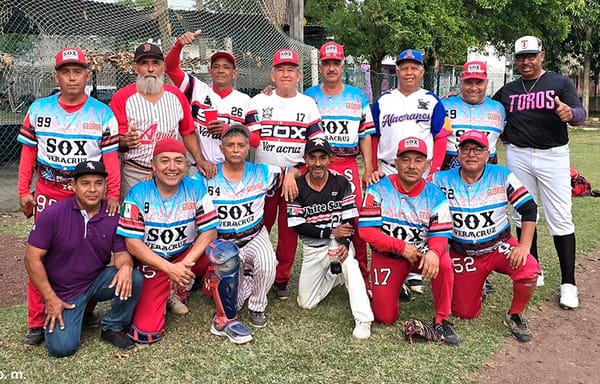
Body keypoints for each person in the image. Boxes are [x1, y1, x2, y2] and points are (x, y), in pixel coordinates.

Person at [17, 48, 121, 346]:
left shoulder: (102, 113)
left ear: (87, 76)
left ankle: (84, 308)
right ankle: (37, 321)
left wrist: (112, 193)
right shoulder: (39, 108)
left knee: (90, 250)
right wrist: (24, 190)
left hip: (88, 194)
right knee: (44, 254)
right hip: (50, 190)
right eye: (66, 71)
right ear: (57, 76)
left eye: (78, 71)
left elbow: (110, 158)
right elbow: (28, 153)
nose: (72, 77)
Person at [117, 138, 253, 344]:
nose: (172, 167)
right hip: (154, 262)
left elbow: (210, 232)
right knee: (146, 332)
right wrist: (169, 269)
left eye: (178, 161)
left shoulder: (196, 189)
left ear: (186, 165)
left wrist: (182, 265)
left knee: (225, 252)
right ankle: (173, 289)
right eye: (164, 161)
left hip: (185, 256)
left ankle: (226, 319)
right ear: (153, 166)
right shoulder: (137, 194)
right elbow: (132, 244)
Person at [493, 36, 587, 308]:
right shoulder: (509, 90)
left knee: (560, 217)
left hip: (553, 155)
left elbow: (578, 112)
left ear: (541, 56)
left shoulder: (559, 83)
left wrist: (572, 114)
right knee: (523, 212)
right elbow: (489, 107)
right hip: (519, 154)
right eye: (521, 57)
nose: (526, 61)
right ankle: (534, 268)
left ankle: (568, 283)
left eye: (531, 56)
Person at [24, 160, 142, 357]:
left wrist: (126, 267)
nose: (92, 189)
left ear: (106, 185)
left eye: (98, 183)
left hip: (95, 281)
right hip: (64, 291)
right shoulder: (53, 214)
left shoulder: (112, 214)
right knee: (61, 349)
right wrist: (50, 297)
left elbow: (121, 254)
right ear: (73, 186)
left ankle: (112, 326)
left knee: (134, 277)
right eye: (85, 183)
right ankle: (72, 314)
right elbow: (31, 259)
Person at [432, 130, 540, 342]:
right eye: (466, 148)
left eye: (478, 149)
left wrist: (524, 245)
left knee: (529, 269)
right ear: (458, 152)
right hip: (463, 252)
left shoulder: (501, 175)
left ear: (487, 152)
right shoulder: (440, 179)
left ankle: (515, 314)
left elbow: (529, 208)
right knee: (465, 312)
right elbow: (415, 189)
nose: (471, 154)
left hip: (498, 246)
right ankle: (478, 284)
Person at [358, 137, 460, 346]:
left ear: (427, 165)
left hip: (420, 255)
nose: (412, 166)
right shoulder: (378, 188)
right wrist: (401, 247)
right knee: (384, 317)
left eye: (418, 160)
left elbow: (440, 234)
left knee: (444, 263)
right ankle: (399, 286)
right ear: (395, 162)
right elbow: (366, 231)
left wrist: (434, 252)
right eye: (405, 160)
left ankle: (442, 319)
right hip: (388, 256)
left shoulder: (435, 194)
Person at [196, 124, 300, 327]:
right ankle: (244, 281)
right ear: (221, 148)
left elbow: (293, 169)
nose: (236, 150)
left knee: (268, 264)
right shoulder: (207, 174)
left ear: (247, 148)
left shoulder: (262, 171)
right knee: (231, 303)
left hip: (253, 234)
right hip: (222, 241)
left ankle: (257, 306)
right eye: (230, 145)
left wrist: (289, 175)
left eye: (241, 145)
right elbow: (182, 189)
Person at [371, 49, 452, 294]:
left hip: (421, 171)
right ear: (397, 71)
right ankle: (396, 269)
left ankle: (416, 269)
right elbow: (374, 135)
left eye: (413, 67)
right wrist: (373, 168)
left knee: (419, 220)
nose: (408, 71)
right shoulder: (384, 100)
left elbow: (441, 137)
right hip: (388, 168)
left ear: (422, 71)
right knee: (391, 221)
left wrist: (434, 170)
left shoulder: (432, 100)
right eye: (404, 67)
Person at [247, 49, 324, 300]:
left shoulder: (308, 104)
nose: (286, 74)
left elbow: (317, 147)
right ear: (272, 74)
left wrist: (297, 170)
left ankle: (281, 279)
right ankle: (252, 272)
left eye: (291, 69)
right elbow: (251, 138)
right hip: (263, 177)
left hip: (295, 177)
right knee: (258, 227)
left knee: (290, 232)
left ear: (299, 75)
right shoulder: (258, 101)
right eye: (281, 69)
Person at [303, 41, 374, 292]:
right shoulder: (309, 95)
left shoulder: (358, 96)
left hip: (347, 164)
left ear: (343, 64)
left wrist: (368, 167)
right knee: (314, 214)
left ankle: (362, 274)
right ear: (320, 65)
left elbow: (365, 134)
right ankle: (322, 267)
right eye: (327, 63)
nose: (331, 67)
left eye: (336, 63)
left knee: (354, 217)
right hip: (316, 165)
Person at [287, 138, 373, 339]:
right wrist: (329, 233)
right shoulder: (297, 186)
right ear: (305, 160)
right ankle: (335, 277)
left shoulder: (341, 182)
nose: (318, 163)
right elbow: (298, 225)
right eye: (313, 158)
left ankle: (363, 319)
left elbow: (350, 217)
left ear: (330, 159)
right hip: (313, 248)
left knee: (350, 263)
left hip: (338, 244)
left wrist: (344, 243)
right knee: (306, 303)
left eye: (322, 158)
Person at [110, 42, 209, 199]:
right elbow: (114, 141)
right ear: (135, 68)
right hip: (136, 171)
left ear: (163, 67)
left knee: (173, 217)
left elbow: (187, 132)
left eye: (155, 63)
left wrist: (199, 159)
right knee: (135, 218)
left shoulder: (177, 95)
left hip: (171, 171)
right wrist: (124, 141)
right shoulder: (122, 97)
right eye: (144, 64)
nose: (150, 69)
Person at [165, 31, 256, 165]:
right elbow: (171, 68)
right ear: (210, 71)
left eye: (226, 67)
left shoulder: (245, 101)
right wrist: (178, 45)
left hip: (231, 169)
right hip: (199, 166)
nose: (220, 70)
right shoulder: (196, 88)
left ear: (234, 73)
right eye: (216, 67)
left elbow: (256, 141)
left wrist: (228, 130)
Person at [441, 61, 505, 170]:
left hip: (487, 174)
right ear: (461, 82)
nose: (473, 88)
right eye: (468, 82)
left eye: (479, 83)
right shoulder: (444, 105)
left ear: (486, 82)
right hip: (448, 173)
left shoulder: (498, 108)